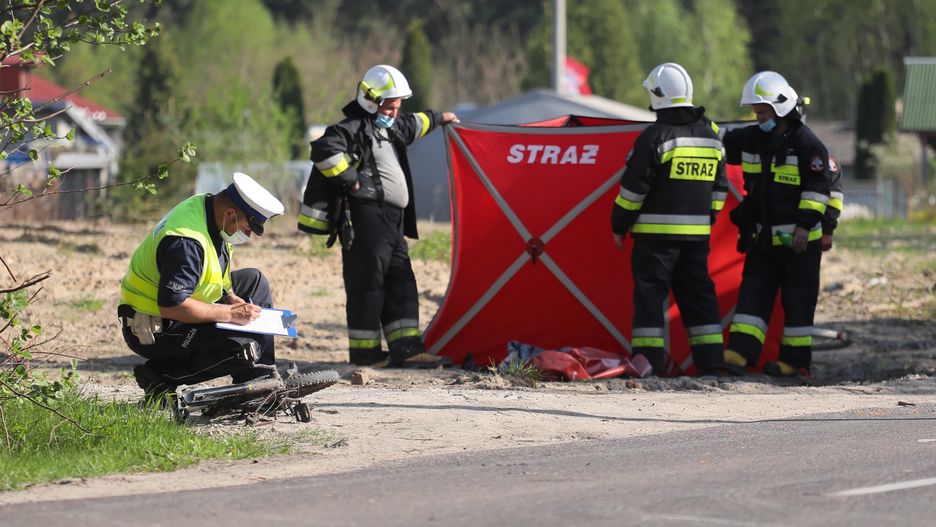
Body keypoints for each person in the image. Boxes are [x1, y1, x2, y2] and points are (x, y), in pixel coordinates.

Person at [298, 64, 459, 368]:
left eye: (398, 107)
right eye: (390, 107)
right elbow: (323, 150)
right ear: (372, 101)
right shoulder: (352, 128)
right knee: (368, 284)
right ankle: (366, 354)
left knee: (402, 281)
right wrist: (350, 180)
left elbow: (415, 123)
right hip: (365, 219)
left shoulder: (392, 127)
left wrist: (440, 118)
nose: (395, 113)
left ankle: (406, 349)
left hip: (392, 223)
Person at [119, 172, 285, 400]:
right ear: (230, 213)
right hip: (155, 329)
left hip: (177, 312)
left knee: (255, 281)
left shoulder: (210, 212)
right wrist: (229, 313)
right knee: (243, 347)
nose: (248, 234)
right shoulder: (186, 242)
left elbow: (213, 272)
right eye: (248, 228)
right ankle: (160, 376)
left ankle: (259, 382)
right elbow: (172, 306)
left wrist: (229, 297)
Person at [611, 62, 729, 376]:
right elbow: (721, 188)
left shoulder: (655, 137)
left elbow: (632, 191)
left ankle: (648, 363)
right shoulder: (712, 136)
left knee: (650, 298)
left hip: (655, 240)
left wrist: (619, 225)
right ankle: (712, 363)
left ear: (657, 95)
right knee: (699, 297)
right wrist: (708, 218)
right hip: (697, 239)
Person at [722, 71, 832, 377]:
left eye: (763, 112)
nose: (758, 119)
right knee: (753, 296)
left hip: (800, 244)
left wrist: (804, 226)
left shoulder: (808, 145)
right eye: (756, 113)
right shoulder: (754, 138)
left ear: (781, 108)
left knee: (798, 302)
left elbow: (818, 190)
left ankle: (793, 363)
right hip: (763, 239)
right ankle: (739, 355)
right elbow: (724, 141)